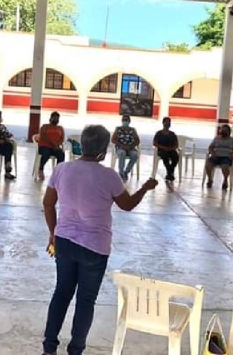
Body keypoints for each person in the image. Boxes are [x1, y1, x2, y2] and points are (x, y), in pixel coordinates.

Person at [42, 125, 159, 355]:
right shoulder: (109, 176)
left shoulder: (62, 169)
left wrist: (52, 232)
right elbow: (127, 205)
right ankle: (76, 350)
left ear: (81, 145)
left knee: (61, 293)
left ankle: (49, 348)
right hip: (95, 248)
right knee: (86, 301)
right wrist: (145, 187)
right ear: (104, 152)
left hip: (63, 241)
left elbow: (48, 203)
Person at [205, 124, 233, 190]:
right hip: (216, 156)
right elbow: (210, 147)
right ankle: (210, 179)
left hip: (226, 157)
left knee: (225, 167)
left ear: (229, 132)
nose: (223, 131)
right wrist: (213, 153)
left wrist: (232, 155)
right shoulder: (216, 138)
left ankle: (225, 180)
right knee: (208, 165)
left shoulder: (232, 140)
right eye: (222, 130)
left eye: (225, 130)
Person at [37, 112, 65, 181]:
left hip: (55, 147)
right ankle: (40, 169)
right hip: (44, 146)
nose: (56, 119)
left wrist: (57, 144)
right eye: (54, 118)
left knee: (61, 154)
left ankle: (57, 173)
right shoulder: (45, 126)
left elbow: (62, 138)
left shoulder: (60, 128)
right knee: (45, 155)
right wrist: (53, 143)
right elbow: (43, 136)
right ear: (50, 118)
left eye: (57, 118)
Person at [111, 114, 140, 181]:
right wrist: (121, 145)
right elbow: (113, 139)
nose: (125, 121)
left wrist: (131, 146)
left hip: (131, 147)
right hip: (120, 147)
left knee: (135, 155)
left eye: (126, 120)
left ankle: (126, 172)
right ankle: (121, 172)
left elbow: (137, 141)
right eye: (124, 120)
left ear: (129, 121)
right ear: (121, 121)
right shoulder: (118, 129)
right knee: (122, 153)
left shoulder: (133, 130)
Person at [153, 117, 179, 182]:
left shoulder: (172, 134)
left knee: (176, 156)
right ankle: (170, 173)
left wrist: (172, 148)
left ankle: (170, 172)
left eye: (168, 122)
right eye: (166, 122)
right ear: (163, 123)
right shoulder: (159, 133)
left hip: (171, 150)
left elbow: (176, 144)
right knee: (165, 157)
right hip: (162, 150)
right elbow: (155, 143)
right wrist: (163, 147)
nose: (167, 124)